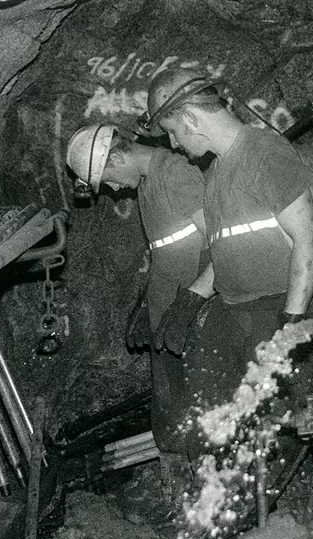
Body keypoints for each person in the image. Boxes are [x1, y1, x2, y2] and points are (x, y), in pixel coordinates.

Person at [140, 68, 313, 408]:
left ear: (191, 118)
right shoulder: (217, 172)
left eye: (173, 132)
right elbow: (226, 254)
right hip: (237, 312)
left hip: (275, 308)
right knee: (219, 424)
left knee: (277, 433)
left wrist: (290, 328)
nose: (174, 144)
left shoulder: (265, 153)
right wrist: (189, 301)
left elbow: (308, 239)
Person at [66, 123, 206, 512]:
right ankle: (182, 500)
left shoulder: (175, 174)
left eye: (106, 178)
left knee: (200, 414)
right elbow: (168, 254)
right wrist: (148, 305)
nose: (110, 189)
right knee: (171, 410)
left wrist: (192, 305)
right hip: (169, 319)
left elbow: (220, 245)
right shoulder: (147, 184)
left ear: (116, 156)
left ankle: (209, 505)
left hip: (194, 320)